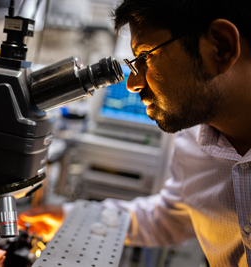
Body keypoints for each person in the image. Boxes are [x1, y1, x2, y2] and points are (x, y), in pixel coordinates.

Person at [105, 0, 251, 266]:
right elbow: (168, 218)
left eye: (146, 56)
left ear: (221, 46)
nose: (133, 83)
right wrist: (69, 216)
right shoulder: (192, 143)